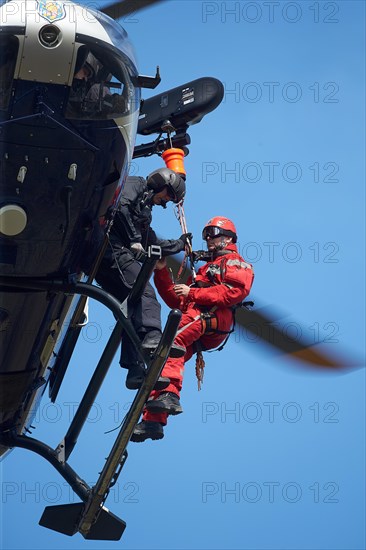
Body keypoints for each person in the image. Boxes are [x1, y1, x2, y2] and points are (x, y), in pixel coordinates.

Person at [131, 216, 255, 442]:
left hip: (211, 316)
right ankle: (153, 421)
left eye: (213, 233)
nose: (208, 238)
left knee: (168, 341)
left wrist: (193, 293)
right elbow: (177, 301)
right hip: (197, 317)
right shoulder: (204, 270)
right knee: (160, 360)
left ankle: (170, 396)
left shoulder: (235, 262)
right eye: (206, 234)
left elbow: (234, 292)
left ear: (228, 238)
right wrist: (161, 271)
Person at [95, 167, 191, 390]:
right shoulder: (135, 184)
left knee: (130, 308)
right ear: (161, 183)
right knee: (144, 291)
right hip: (111, 250)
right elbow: (120, 207)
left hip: (110, 255)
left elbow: (150, 239)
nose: (166, 201)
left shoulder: (145, 209)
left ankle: (135, 368)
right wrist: (134, 239)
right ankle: (153, 338)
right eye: (168, 194)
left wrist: (178, 244)